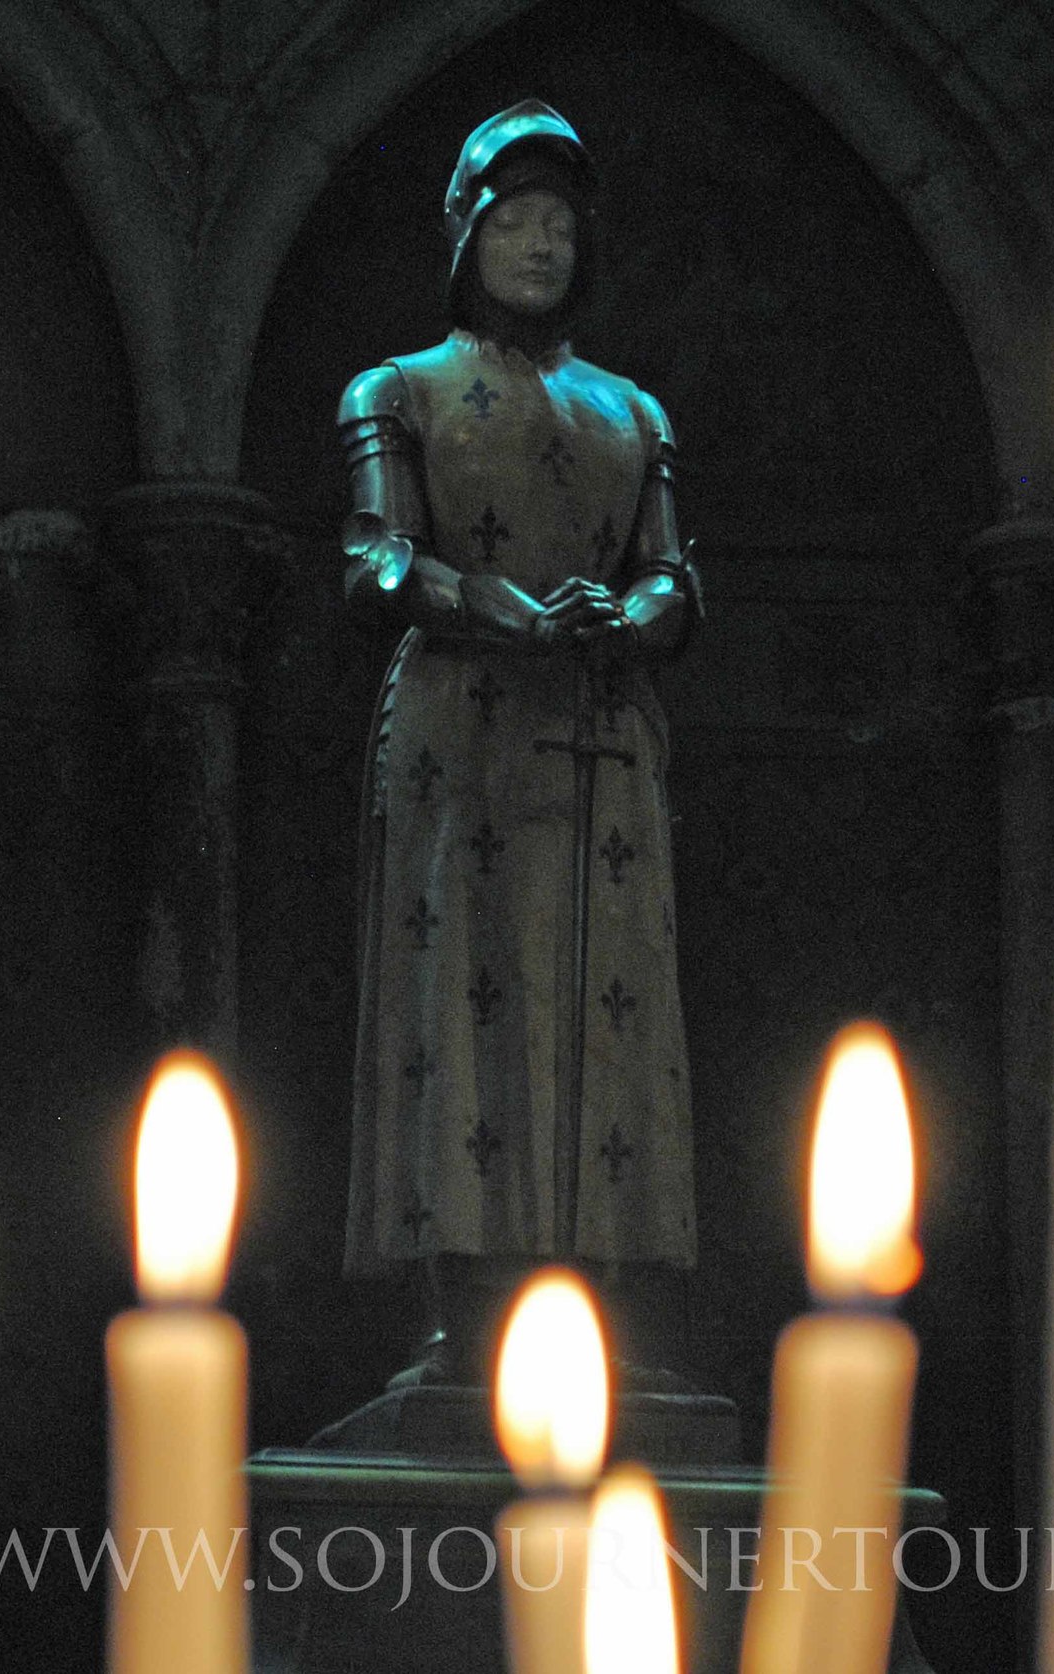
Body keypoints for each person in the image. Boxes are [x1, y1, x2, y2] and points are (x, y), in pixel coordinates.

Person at [339, 100, 701, 1386]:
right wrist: (493, 606)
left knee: (610, 1006)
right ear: (468, 234)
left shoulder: (633, 411)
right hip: (463, 727)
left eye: (557, 223)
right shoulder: (399, 390)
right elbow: (373, 557)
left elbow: (677, 579)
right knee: (463, 987)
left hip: (600, 727)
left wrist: (631, 611)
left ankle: (597, 1305)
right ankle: (468, 1312)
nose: (539, 245)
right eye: (514, 221)